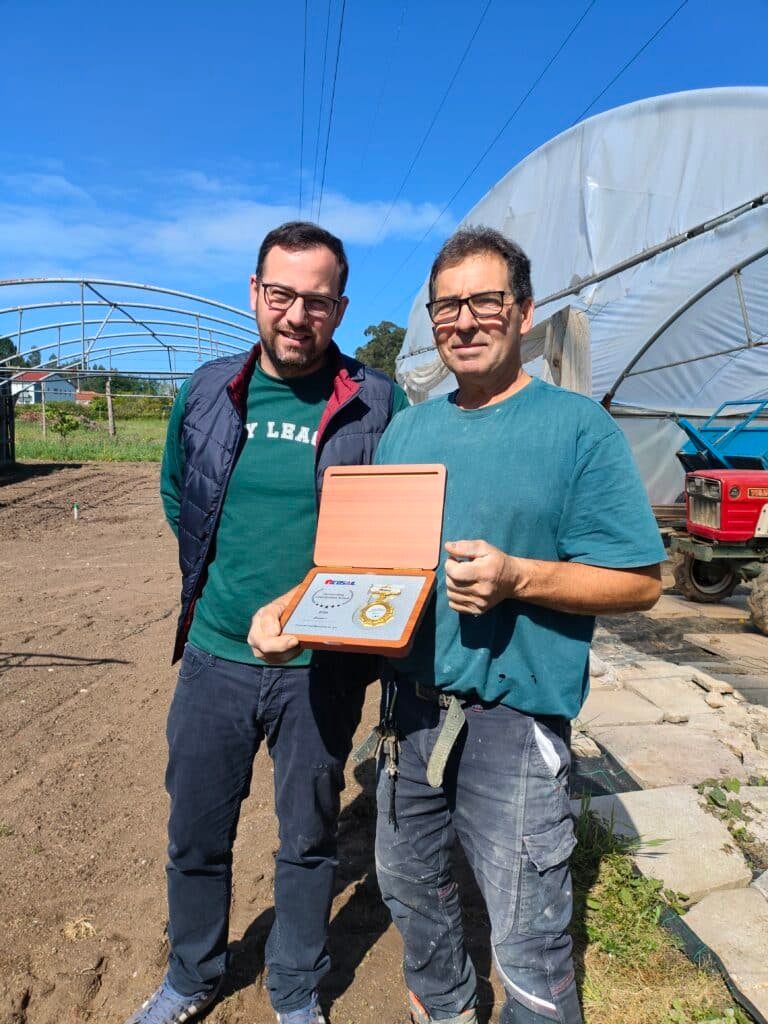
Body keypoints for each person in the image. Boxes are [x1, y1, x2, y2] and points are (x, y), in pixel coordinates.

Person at [250, 226, 664, 1024]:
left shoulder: (576, 428)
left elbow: (641, 583)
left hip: (514, 721)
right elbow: (363, 559)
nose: (464, 321)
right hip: (410, 714)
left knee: (527, 924)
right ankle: (444, 1006)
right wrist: (297, 608)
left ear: (524, 312)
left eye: (485, 301)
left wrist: (520, 578)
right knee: (409, 883)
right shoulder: (410, 430)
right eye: (447, 306)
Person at [126, 221, 409, 1024]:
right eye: (281, 294)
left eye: (317, 301)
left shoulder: (379, 401)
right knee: (195, 832)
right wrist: (223, 586)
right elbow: (180, 494)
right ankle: (192, 976)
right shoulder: (208, 390)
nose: (296, 315)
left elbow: (395, 527)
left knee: (309, 838)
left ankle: (294, 987)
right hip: (215, 656)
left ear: (340, 308)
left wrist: (315, 608)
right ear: (255, 293)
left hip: (321, 669)